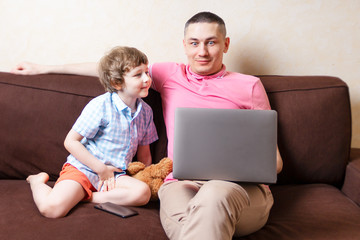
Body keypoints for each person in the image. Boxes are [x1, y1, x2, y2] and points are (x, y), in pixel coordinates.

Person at [12, 12, 282, 239]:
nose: (202, 51)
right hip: (181, 185)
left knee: (214, 195)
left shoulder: (249, 86)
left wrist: (247, 168)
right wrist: (43, 68)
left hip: (239, 189)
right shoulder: (168, 74)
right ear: (185, 45)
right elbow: (113, 69)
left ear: (226, 44)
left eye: (211, 42)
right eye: (194, 43)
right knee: (201, 218)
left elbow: (275, 162)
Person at [24, 46, 158, 218]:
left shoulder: (146, 112)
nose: (147, 79)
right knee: (51, 210)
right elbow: (70, 142)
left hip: (114, 175)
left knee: (143, 193)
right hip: (85, 169)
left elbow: (144, 155)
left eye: (147, 72)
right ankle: (36, 181)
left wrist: (145, 174)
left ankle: (85, 198)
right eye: (138, 74)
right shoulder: (101, 105)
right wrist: (100, 169)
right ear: (117, 83)